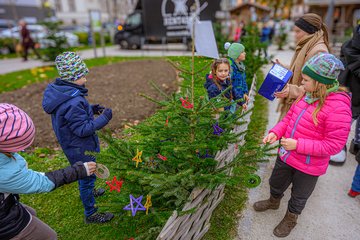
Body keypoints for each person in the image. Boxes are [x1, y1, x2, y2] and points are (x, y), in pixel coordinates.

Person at [254, 53, 352, 238]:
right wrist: (276, 132)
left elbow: (334, 145)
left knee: (299, 196)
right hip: (286, 154)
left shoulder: (338, 107)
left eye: (306, 80)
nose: (302, 84)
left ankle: (291, 218)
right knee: (276, 181)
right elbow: (290, 117)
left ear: (320, 82)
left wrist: (298, 145)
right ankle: (274, 200)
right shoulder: (307, 94)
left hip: (309, 165)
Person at [0, 103, 97, 240]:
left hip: (6, 201)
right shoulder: (6, 174)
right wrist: (79, 170)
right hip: (4, 224)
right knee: (49, 236)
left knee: (31, 212)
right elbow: (42, 182)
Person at [42, 52, 114, 224]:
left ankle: (90, 189)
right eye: (82, 75)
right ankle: (91, 213)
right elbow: (82, 129)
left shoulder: (65, 93)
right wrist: (104, 118)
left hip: (72, 145)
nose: (86, 79)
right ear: (73, 77)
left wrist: (91, 108)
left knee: (87, 173)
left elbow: (71, 111)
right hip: (80, 147)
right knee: (86, 175)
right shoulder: (73, 101)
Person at [274, 13, 330, 120]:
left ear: (309, 31)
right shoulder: (307, 44)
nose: (294, 35)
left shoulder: (318, 51)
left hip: (304, 109)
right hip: (298, 105)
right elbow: (304, 70)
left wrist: (292, 91)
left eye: (297, 31)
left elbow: (318, 86)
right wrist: (285, 68)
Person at [339, 24, 360, 195]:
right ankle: (339, 147)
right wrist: (342, 84)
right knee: (346, 119)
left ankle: (356, 145)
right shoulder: (350, 45)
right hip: (352, 88)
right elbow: (347, 62)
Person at [224, 42, 249, 110]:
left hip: (240, 98)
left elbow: (243, 81)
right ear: (236, 54)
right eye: (242, 52)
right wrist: (239, 99)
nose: (245, 53)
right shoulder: (230, 68)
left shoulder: (241, 66)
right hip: (232, 99)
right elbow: (231, 86)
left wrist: (245, 93)